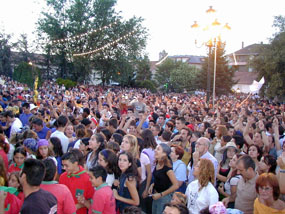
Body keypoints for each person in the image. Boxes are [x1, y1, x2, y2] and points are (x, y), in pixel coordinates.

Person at [59, 150, 94, 214]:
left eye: (66, 165)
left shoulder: (88, 178)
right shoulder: (62, 177)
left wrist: (79, 205)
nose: (64, 168)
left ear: (75, 163)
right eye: (63, 165)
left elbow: (92, 201)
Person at [149, 143, 179, 214]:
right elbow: (161, 178)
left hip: (163, 197)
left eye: (158, 149)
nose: (155, 150)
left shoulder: (167, 168)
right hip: (156, 195)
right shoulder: (158, 162)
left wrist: (161, 194)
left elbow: (176, 185)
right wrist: (153, 185)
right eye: (156, 148)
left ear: (164, 154)